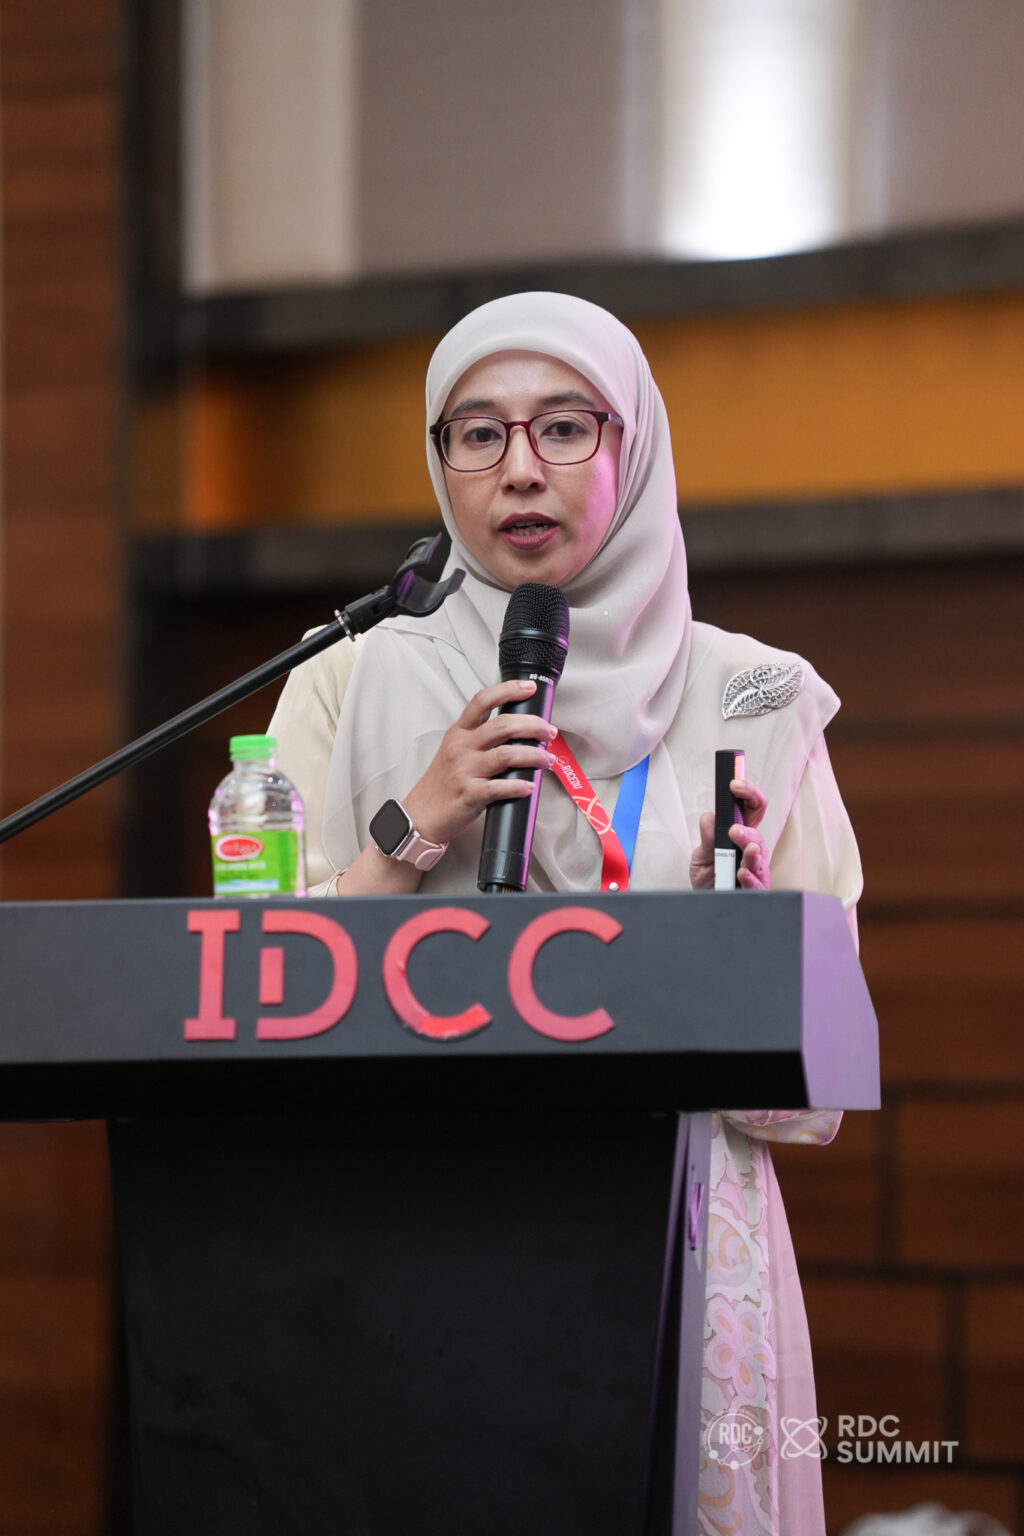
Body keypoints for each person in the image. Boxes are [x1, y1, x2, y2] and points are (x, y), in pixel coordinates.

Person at [268, 291, 862, 1536]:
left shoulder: (752, 696)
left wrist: (738, 941)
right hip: (413, 1220)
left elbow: (816, 1093)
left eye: (563, 426)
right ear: (438, 460)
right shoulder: (344, 677)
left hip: (682, 1239)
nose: (520, 469)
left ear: (631, 444)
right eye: (477, 433)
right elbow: (256, 992)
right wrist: (416, 820)